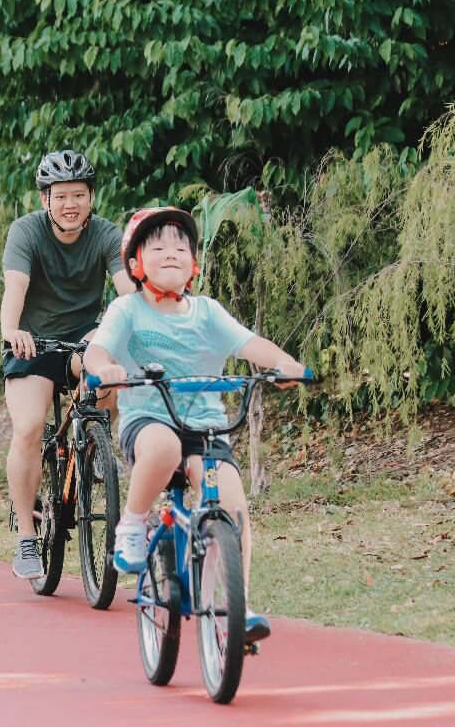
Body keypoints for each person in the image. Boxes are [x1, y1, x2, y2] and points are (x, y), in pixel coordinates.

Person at [83, 206, 305, 641]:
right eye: (158, 247)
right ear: (135, 264)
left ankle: (237, 607)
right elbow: (98, 350)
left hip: (205, 428)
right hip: (148, 421)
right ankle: (132, 523)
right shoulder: (127, 310)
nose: (171, 253)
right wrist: (104, 368)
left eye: (181, 247)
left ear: (194, 264)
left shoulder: (207, 312)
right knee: (164, 448)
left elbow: (250, 344)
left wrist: (283, 363)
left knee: (233, 508)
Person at [1, 149, 136, 579]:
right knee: (28, 427)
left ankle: (94, 444)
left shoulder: (106, 234)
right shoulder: (26, 232)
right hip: (33, 343)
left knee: (109, 366)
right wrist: (11, 330)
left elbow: (128, 291)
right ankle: (26, 538)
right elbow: (15, 288)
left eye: (78, 194)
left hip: (83, 339)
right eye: (60, 196)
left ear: (91, 197)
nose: (70, 204)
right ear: (46, 200)